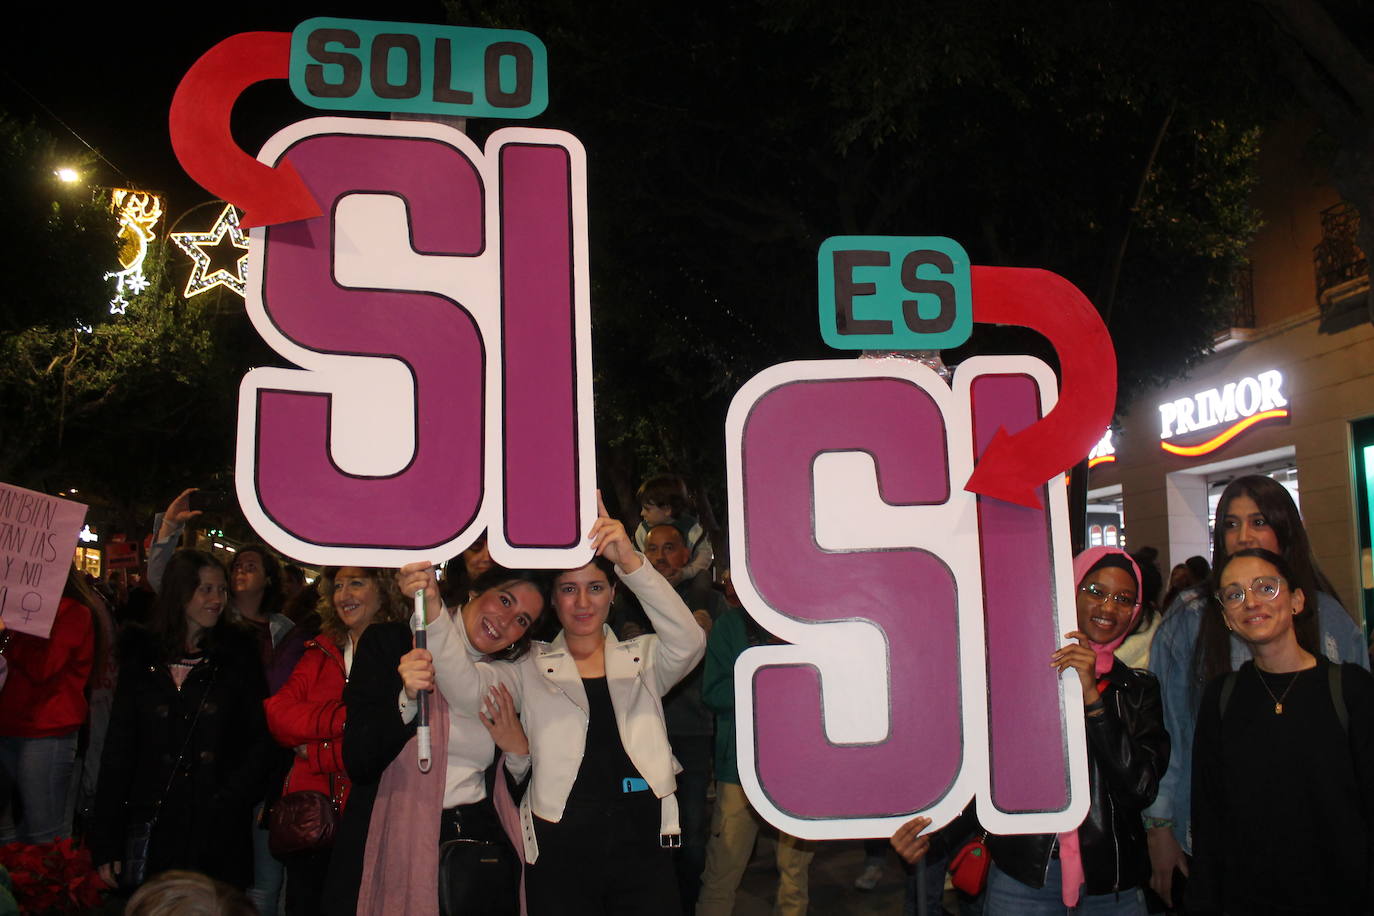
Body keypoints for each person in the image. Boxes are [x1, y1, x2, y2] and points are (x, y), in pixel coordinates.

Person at [421, 497, 706, 915]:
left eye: (595, 588)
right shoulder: (528, 665)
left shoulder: (642, 658)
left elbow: (690, 640)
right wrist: (431, 609)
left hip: (645, 845)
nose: (583, 602)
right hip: (558, 848)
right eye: (569, 590)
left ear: (613, 594)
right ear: (553, 602)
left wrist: (628, 558)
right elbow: (466, 691)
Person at [894, 547, 1167, 915]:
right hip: (1026, 875)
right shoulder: (1020, 675)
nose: (1107, 608)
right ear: (1070, 591)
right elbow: (986, 777)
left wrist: (1093, 700)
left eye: (1123, 599)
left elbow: (1140, 788)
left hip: (1112, 884)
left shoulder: (1138, 690)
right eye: (1095, 592)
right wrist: (934, 835)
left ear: (1135, 612)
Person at [1144, 475, 1369, 909]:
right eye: (1230, 524)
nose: (1243, 535)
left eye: (1259, 521)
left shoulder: (1332, 621)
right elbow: (1167, 731)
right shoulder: (1191, 618)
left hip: (1331, 849)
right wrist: (1159, 827)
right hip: (1226, 848)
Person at [323, 559, 548, 916]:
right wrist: (406, 702)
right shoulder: (391, 643)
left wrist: (519, 752)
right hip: (391, 840)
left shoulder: (509, 680)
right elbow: (359, 760)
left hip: (474, 856)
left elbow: (519, 794)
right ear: (475, 590)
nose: (506, 621)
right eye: (505, 601)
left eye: (522, 620)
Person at [1188, 548, 1374, 914]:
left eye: (1265, 588)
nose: (1251, 602)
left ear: (1296, 600)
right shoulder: (1221, 697)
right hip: (1248, 899)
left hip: (1344, 896)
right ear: (1226, 616)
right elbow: (1209, 819)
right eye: (1235, 594)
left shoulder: (1351, 689)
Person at [91, 550, 273, 891]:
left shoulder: (237, 657)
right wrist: (107, 840)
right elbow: (119, 752)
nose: (216, 599)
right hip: (154, 825)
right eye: (205, 589)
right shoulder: (141, 659)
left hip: (217, 832)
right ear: (180, 592)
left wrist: (228, 798)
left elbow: (259, 742)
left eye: (221, 590)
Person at [264, 566, 406, 915]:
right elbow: (278, 715)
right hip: (309, 823)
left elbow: (388, 743)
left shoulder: (404, 651)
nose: (345, 595)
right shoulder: (320, 650)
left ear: (384, 589)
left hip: (373, 814)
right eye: (338, 586)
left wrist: (314, 751)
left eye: (356, 583)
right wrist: (348, 718)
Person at [696, 604, 815, 916]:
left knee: (794, 879)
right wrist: (765, 670)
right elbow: (713, 693)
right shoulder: (729, 626)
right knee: (722, 872)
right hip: (739, 768)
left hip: (797, 768)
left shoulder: (807, 622)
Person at [0, 566, 96, 843]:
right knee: (6, 831)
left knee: (42, 832)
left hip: (46, 731)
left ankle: (44, 886)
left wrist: (10, 638)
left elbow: (44, 667)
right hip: (9, 725)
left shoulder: (73, 612)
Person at [634, 474, 714, 590]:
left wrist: (684, 573)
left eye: (647, 509)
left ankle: (699, 608)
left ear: (667, 509)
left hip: (685, 582)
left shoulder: (691, 528)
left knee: (703, 577)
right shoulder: (642, 530)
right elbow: (637, 557)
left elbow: (704, 557)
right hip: (652, 583)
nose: (642, 513)